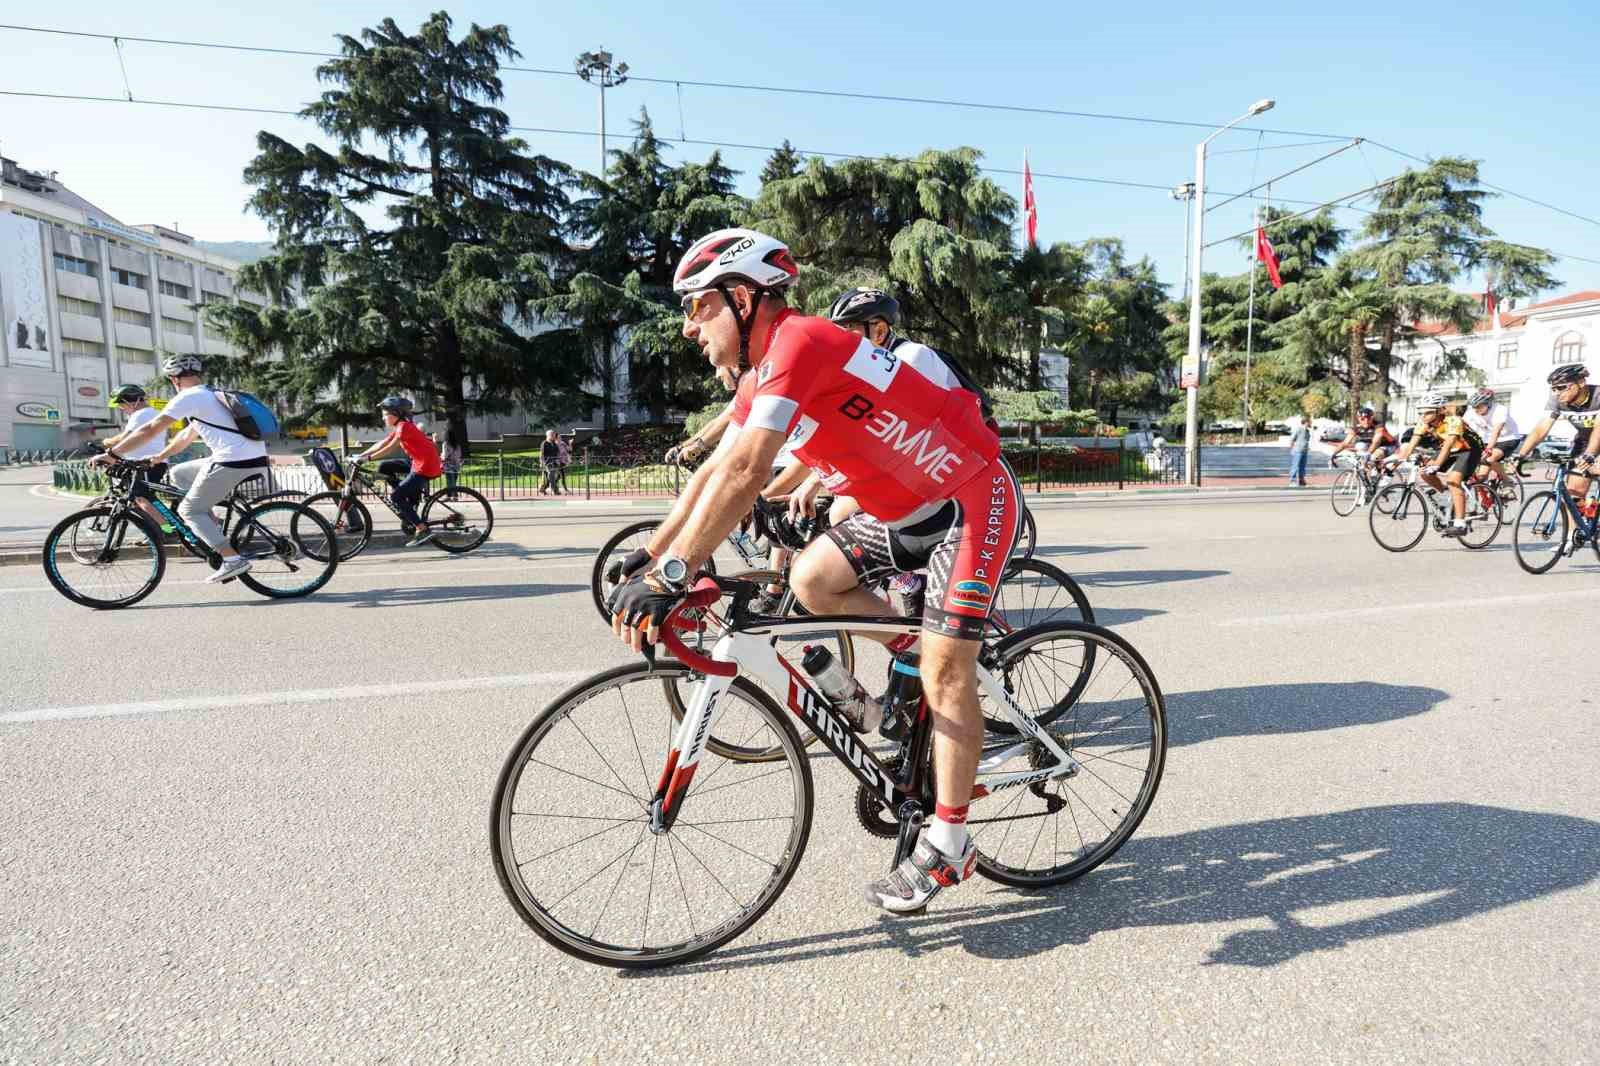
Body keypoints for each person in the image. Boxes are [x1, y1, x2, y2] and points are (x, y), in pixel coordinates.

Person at [609, 227, 1016, 915]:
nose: (689, 327)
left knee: (947, 669)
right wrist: (654, 554)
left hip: (968, 495)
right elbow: (713, 468)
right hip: (898, 510)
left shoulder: (799, 341)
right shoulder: (761, 370)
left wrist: (677, 574)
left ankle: (949, 845)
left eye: (698, 307)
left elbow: (745, 472)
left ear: (741, 299)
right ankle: (920, 681)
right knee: (810, 581)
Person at [88, 354, 268, 582]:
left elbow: (150, 429)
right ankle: (209, 524)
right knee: (178, 473)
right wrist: (159, 457)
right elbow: (186, 435)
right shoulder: (208, 394)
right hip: (249, 456)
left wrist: (112, 454)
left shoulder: (188, 397)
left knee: (188, 510)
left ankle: (232, 559)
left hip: (233, 460)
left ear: (173, 379)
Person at [347, 396, 443, 547]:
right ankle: (409, 495)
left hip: (425, 466)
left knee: (395, 497)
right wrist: (361, 455)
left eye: (385, 414)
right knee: (385, 467)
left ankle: (422, 529)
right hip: (417, 463)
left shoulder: (404, 427)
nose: (383, 417)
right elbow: (382, 443)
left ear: (396, 414)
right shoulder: (400, 426)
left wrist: (368, 459)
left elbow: (390, 448)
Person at [1513, 364, 1600, 526]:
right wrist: (1521, 455)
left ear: (1581, 382)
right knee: (1574, 491)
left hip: (1597, 437)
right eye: (1553, 389)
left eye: (1561, 387)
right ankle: (1573, 535)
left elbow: (1598, 429)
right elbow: (1541, 429)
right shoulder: (1558, 401)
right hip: (1584, 441)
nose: (1557, 393)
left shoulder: (1598, 396)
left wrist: (1590, 455)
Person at [1388, 393, 1483, 537]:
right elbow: (1411, 445)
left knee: (1453, 480)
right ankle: (1446, 497)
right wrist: (1394, 464)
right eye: (1420, 412)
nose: (1423, 416)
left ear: (1440, 410)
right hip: (1451, 449)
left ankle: (1460, 523)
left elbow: (1448, 445)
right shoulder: (1423, 423)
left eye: (1428, 412)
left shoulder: (1454, 420)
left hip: (1469, 449)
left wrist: (1437, 464)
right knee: (1425, 473)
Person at [99, 385, 175, 532]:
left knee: (142, 498)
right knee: (139, 500)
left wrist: (107, 443)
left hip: (145, 463)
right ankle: (156, 532)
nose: (121, 408)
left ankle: (167, 530)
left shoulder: (141, 414)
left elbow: (125, 438)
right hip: (148, 462)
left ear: (133, 401)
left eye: (121, 404)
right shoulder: (152, 413)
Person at [1463, 387, 1523, 482]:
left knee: (1489, 459)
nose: (1476, 410)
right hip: (1487, 440)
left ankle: (1507, 480)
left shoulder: (1500, 410)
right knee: (1481, 476)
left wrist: (1488, 450)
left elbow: (1496, 431)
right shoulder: (1471, 411)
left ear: (1488, 404)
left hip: (1508, 438)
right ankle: (1487, 494)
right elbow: (1463, 427)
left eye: (1479, 406)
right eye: (1474, 407)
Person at [1287, 416, 1312, 486]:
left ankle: (1301, 480)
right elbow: (1292, 439)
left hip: (1304, 451)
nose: (1311, 423)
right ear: (1306, 422)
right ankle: (1293, 480)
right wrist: (1292, 449)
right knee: (1295, 465)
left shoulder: (1307, 431)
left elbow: (1306, 440)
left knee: (1302, 466)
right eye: (1310, 422)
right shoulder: (1298, 429)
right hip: (1298, 451)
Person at [437, 428, 464, 492]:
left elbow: (445, 455)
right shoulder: (457, 444)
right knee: (454, 480)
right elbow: (459, 455)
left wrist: (441, 456)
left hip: (448, 466)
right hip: (456, 465)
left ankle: (450, 495)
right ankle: (454, 495)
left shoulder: (446, 444)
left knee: (449, 481)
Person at [538, 430, 563, 495]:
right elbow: (541, 454)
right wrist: (541, 462)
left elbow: (557, 453)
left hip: (554, 462)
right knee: (551, 474)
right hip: (547, 462)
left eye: (554, 435)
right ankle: (554, 490)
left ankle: (542, 488)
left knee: (553, 476)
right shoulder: (544, 443)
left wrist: (558, 460)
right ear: (548, 435)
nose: (554, 436)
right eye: (552, 435)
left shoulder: (554, 443)